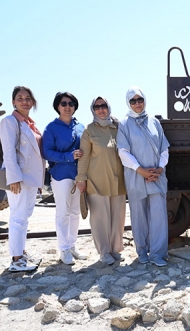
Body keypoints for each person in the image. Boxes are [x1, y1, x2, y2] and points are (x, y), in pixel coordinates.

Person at [117, 86, 170, 267]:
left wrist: (160, 169)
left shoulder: (154, 122)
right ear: (128, 103)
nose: (137, 104)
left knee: (158, 216)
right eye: (133, 101)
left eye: (140, 100)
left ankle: (158, 254)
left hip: (156, 176)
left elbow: (164, 148)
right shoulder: (124, 124)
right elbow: (123, 151)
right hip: (136, 176)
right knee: (139, 215)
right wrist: (140, 170)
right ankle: (142, 251)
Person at [76, 97, 127, 266]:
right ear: (93, 110)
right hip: (96, 181)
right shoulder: (89, 131)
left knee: (118, 217)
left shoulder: (118, 127)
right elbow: (83, 157)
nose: (101, 109)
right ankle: (104, 251)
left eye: (103, 105)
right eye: (96, 107)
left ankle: (115, 249)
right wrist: (81, 178)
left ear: (108, 107)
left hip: (118, 180)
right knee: (100, 218)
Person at [1, 86, 45, 272]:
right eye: (20, 98)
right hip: (19, 178)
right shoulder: (9, 122)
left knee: (24, 217)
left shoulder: (29, 123)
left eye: (28, 98)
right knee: (18, 217)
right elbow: (8, 152)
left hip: (31, 178)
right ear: (13, 102)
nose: (24, 101)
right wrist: (13, 178)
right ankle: (17, 260)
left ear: (33, 102)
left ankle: (21, 252)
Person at [42, 92, 86, 265]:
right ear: (57, 106)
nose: (67, 106)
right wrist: (69, 156)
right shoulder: (51, 128)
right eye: (63, 103)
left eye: (71, 103)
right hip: (60, 175)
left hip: (79, 175)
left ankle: (72, 246)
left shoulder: (81, 126)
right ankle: (64, 249)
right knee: (63, 213)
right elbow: (47, 152)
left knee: (75, 212)